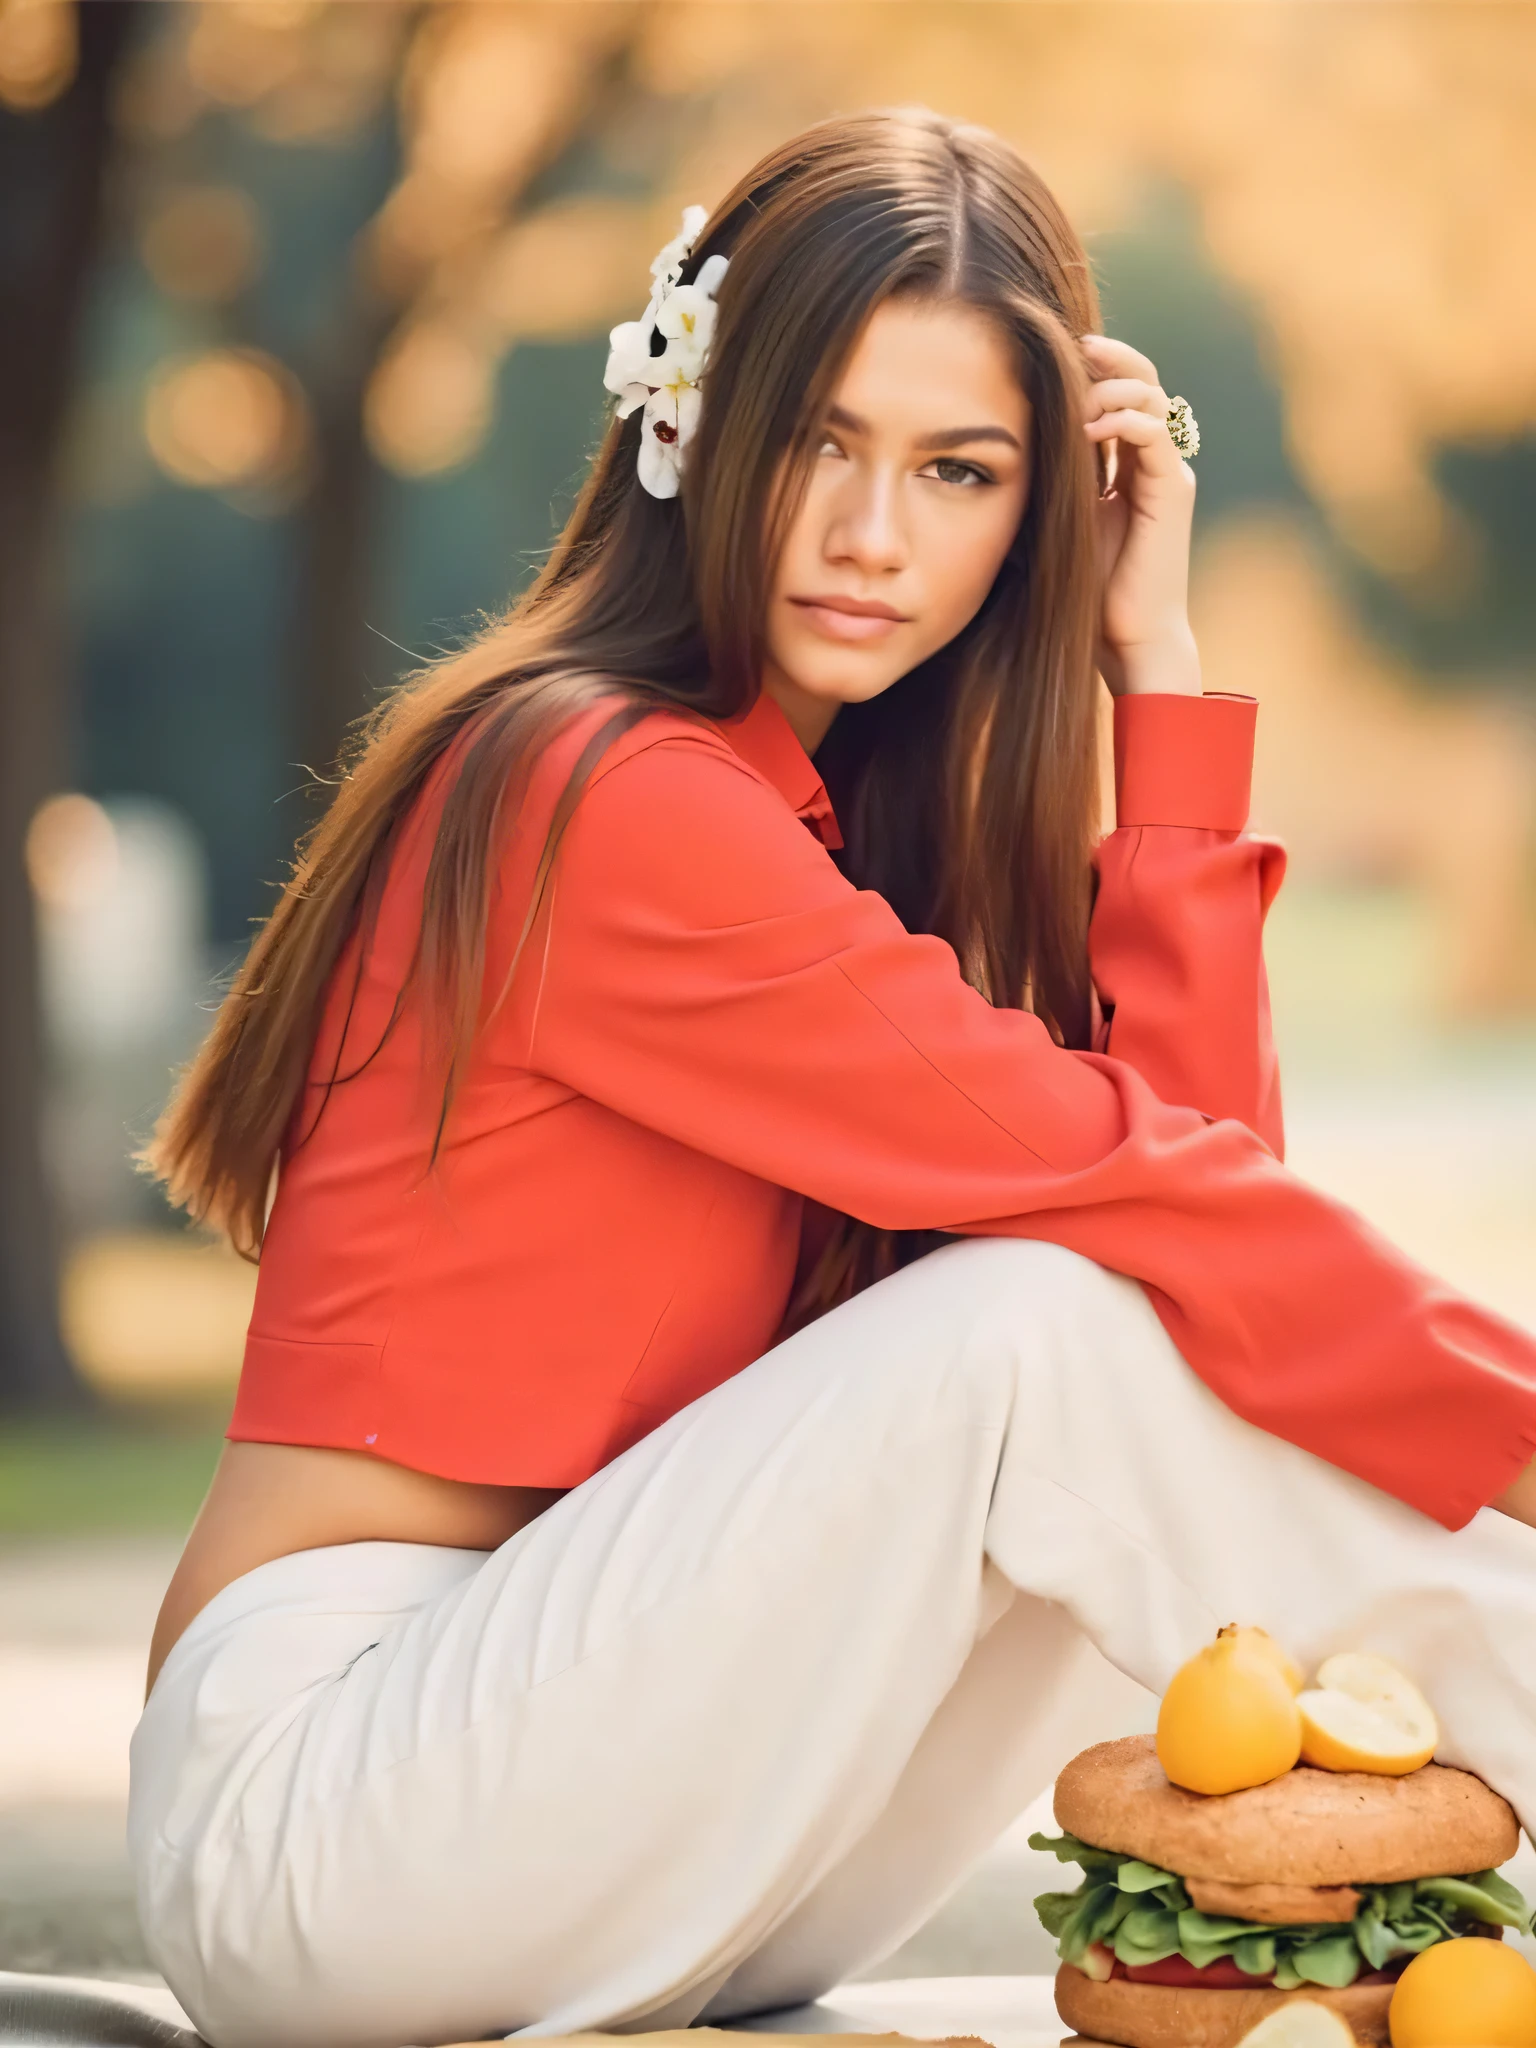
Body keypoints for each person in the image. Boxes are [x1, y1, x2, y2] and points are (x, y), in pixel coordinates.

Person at [129, 108, 1536, 2048]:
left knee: (1103, 1307)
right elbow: (1161, 1217)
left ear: (1036, 513)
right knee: (1032, 1314)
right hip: (339, 1810)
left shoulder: (841, 838)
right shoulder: (584, 788)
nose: (874, 534)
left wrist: (1165, 677)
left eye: (958, 470)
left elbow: (1204, 1266)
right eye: (820, 442)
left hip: (623, 1812)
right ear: (693, 426)